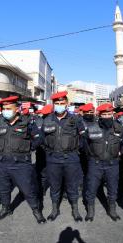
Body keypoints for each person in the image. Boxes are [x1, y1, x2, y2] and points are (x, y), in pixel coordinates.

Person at [0, 96, 46, 223]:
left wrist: (28, 147)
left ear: (17, 109)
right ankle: (6, 208)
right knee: (3, 188)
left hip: (21, 164)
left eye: (8, 108)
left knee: (28, 189)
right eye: (3, 108)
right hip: (2, 163)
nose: (5, 111)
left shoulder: (27, 122)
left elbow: (39, 138)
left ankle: (36, 210)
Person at [41, 91, 86, 222]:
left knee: (72, 185)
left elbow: (83, 137)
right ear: (53, 104)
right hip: (53, 159)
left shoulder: (76, 119)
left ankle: (75, 210)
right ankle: (55, 209)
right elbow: (42, 138)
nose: (59, 105)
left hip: (71, 158)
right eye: (57, 103)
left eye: (62, 103)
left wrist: (77, 149)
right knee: (55, 185)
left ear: (66, 104)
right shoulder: (47, 119)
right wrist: (48, 151)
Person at [83, 103, 123, 222]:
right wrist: (91, 155)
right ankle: (90, 211)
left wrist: (120, 152)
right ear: (99, 115)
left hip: (113, 164)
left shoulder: (118, 127)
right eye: (104, 114)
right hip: (95, 163)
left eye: (109, 114)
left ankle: (112, 209)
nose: (106, 116)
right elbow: (85, 144)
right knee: (91, 188)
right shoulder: (91, 127)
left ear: (113, 114)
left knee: (112, 188)